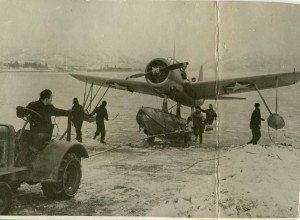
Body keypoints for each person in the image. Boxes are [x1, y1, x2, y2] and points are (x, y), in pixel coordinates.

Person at [17, 89, 70, 166]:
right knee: (20, 133)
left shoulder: (50, 107)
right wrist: (20, 110)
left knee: (37, 137)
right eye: (51, 98)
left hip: (45, 133)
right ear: (46, 99)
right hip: (34, 131)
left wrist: (68, 112)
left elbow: (58, 111)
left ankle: (29, 161)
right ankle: (18, 157)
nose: (52, 100)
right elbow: (24, 112)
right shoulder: (33, 105)